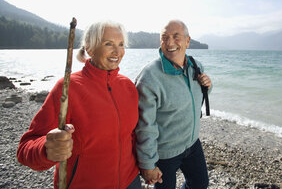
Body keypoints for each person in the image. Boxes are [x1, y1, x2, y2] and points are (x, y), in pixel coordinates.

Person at [17, 21, 141, 189]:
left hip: (130, 181)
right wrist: (46, 148)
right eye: (108, 44)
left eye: (121, 44)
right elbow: (25, 148)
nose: (117, 52)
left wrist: (147, 166)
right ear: (89, 48)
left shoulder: (128, 87)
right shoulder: (68, 88)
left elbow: (132, 137)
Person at [135, 20, 212, 188]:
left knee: (200, 184)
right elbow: (144, 125)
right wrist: (148, 164)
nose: (170, 43)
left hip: (192, 143)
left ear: (187, 41)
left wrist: (207, 87)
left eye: (176, 37)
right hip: (165, 153)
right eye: (165, 37)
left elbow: (194, 99)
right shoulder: (149, 76)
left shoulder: (196, 66)